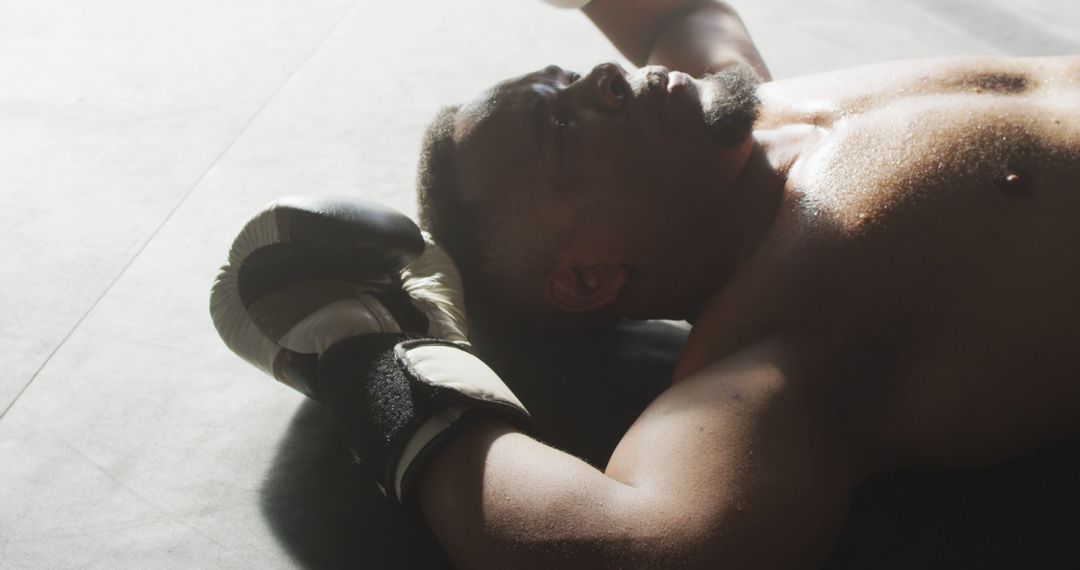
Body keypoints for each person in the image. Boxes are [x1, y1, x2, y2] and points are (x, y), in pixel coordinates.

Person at [211, 0, 1080, 568]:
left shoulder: (745, 107)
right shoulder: (778, 343)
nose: (594, 81)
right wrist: (383, 370)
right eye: (561, 126)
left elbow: (677, 12)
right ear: (589, 275)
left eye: (559, 79)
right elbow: (638, 548)